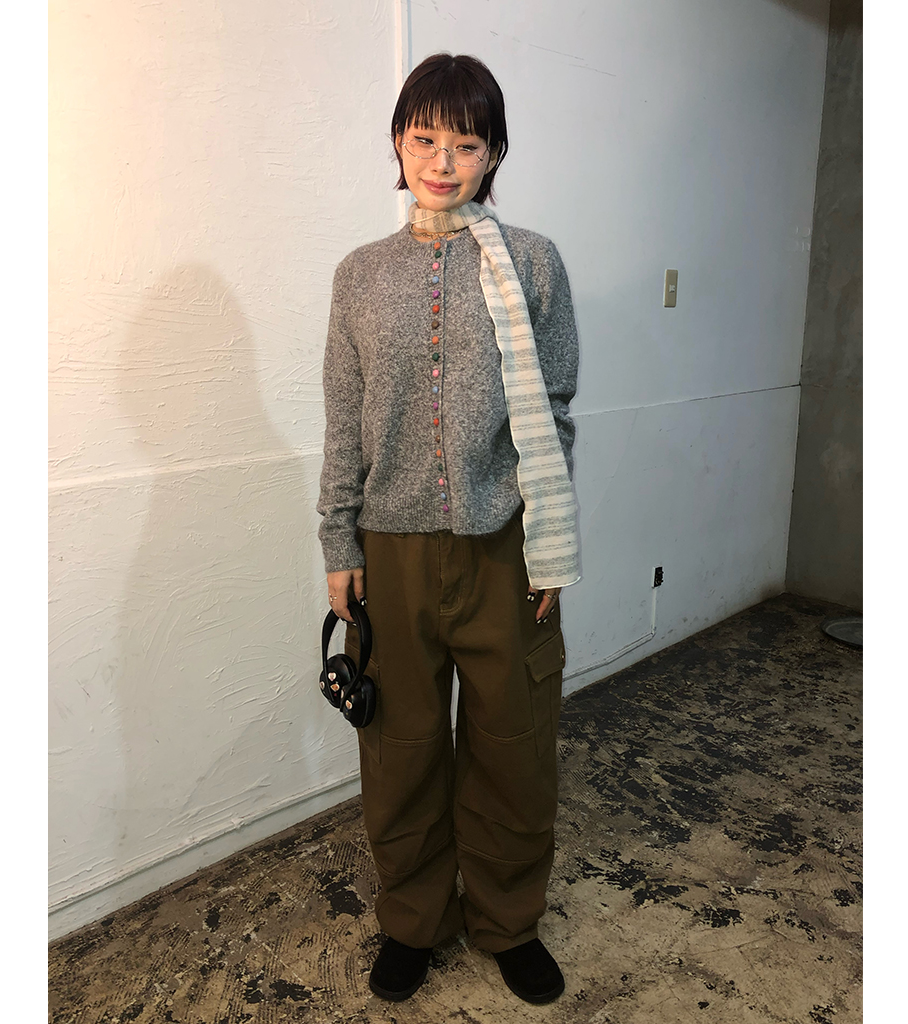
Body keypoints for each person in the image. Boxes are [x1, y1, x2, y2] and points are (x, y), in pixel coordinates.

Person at [317, 51, 581, 1005]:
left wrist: (550, 544)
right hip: (390, 553)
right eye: (425, 137)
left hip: (505, 548)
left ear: (493, 153)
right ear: (398, 141)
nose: (442, 160)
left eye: (466, 143)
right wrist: (338, 543)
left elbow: (555, 410)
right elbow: (344, 421)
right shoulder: (361, 275)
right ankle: (414, 920)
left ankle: (507, 921)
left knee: (513, 744)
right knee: (402, 748)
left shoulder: (534, 264)